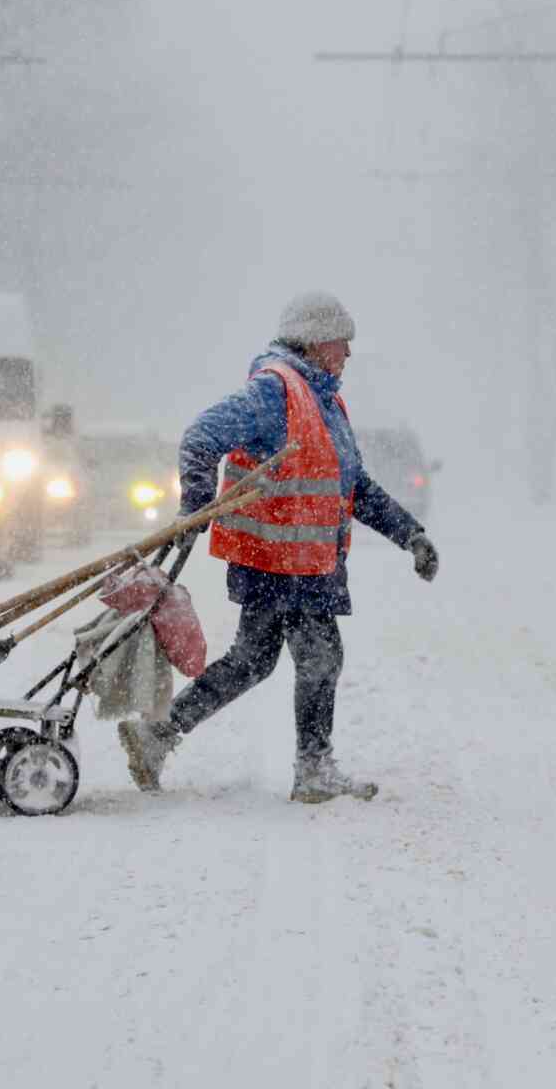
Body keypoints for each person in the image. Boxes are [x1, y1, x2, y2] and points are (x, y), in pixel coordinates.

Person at [117, 291, 439, 804]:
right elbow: (201, 437)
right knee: (320, 658)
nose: (349, 354)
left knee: (253, 659)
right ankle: (313, 770)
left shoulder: (325, 400)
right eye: (342, 343)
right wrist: (195, 504)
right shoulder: (276, 391)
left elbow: (352, 486)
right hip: (287, 562)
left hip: (293, 561)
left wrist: (410, 534)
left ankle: (158, 735)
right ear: (314, 343)